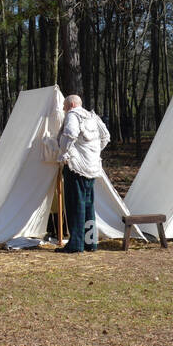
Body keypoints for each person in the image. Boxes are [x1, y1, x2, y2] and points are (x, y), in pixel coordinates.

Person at [56, 94, 108, 253]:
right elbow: (105, 136)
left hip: (76, 167)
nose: (64, 110)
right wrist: (92, 153)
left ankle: (76, 245)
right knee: (88, 205)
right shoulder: (92, 117)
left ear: (71, 104)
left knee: (75, 205)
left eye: (64, 106)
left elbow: (70, 134)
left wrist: (65, 152)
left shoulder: (73, 115)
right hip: (92, 168)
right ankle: (90, 243)